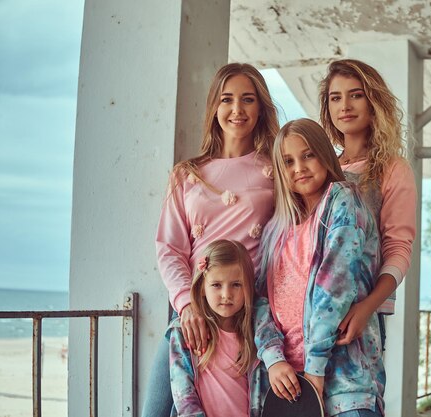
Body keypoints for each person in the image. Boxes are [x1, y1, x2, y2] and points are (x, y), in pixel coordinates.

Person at [142, 63, 280, 417]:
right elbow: (170, 247)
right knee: (158, 411)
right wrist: (188, 307)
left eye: (248, 100)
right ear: (214, 108)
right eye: (227, 99)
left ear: (261, 107)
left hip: (246, 316)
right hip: (193, 310)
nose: (237, 110)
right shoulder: (187, 174)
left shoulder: (275, 171)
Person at [255, 118, 385, 416]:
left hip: (345, 385)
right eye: (288, 161)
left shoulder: (344, 200)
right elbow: (259, 301)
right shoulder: (276, 228)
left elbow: (335, 287)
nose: (299, 167)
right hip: (288, 387)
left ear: (325, 154)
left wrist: (315, 369)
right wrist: (274, 358)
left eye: (308, 155)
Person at [318, 59, 417, 346]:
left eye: (356, 94)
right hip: (312, 312)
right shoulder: (320, 168)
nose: (344, 105)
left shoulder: (394, 169)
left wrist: (368, 307)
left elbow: (398, 249)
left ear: (373, 102)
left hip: (360, 318)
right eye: (335, 98)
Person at [168, 239, 269, 417]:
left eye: (236, 285)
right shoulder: (185, 332)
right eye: (216, 285)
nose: (226, 295)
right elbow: (182, 393)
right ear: (202, 288)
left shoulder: (254, 331)